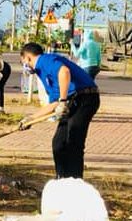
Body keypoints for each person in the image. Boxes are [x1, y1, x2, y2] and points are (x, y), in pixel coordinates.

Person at [19, 42, 100, 179]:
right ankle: (61, 178)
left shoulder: (44, 60)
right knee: (59, 143)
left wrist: (63, 101)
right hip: (71, 101)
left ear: (28, 58)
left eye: (24, 62)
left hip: (85, 98)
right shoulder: (42, 72)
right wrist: (30, 119)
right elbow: (54, 102)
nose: (26, 67)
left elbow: (64, 71)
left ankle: (75, 182)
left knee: (74, 139)